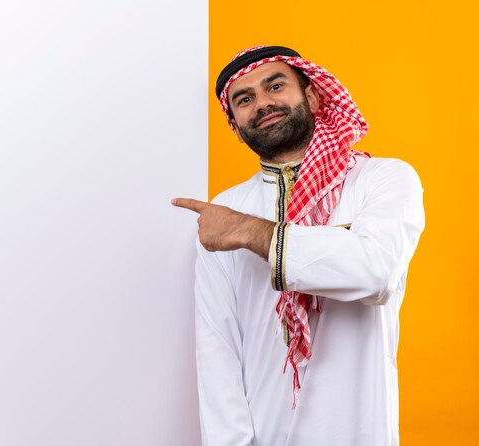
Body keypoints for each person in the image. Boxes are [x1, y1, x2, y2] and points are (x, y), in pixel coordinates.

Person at [171, 46, 425, 446]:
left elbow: (375, 272)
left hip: (360, 430)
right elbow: (218, 349)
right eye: (245, 99)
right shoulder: (224, 212)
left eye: (275, 85)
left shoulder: (383, 179)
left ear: (311, 96)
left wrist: (249, 232)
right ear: (235, 125)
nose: (263, 103)